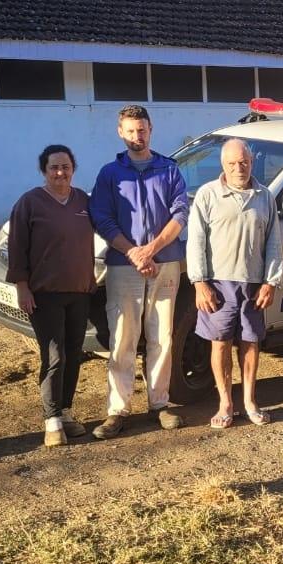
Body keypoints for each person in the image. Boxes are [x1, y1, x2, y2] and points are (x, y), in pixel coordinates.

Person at [88, 105, 189, 439]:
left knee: (162, 336)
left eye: (142, 130)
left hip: (165, 262)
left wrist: (152, 249)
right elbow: (101, 217)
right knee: (123, 338)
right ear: (120, 132)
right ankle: (117, 409)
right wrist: (133, 251)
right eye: (130, 131)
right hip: (124, 264)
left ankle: (160, 403)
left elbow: (180, 213)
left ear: (151, 129)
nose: (137, 136)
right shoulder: (109, 174)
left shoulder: (170, 170)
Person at [187, 139, 283, 428]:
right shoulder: (207, 195)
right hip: (217, 284)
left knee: (251, 342)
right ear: (223, 165)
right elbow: (195, 243)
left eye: (243, 162)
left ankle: (250, 402)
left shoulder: (264, 196)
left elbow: (274, 242)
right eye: (232, 164)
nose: (238, 168)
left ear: (251, 162)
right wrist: (199, 283)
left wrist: (271, 282)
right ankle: (225, 403)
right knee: (220, 344)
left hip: (253, 284)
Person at [6, 144, 97, 448]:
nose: (60, 172)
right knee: (54, 355)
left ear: (74, 168)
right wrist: (21, 286)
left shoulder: (84, 201)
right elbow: (17, 247)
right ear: (43, 171)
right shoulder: (30, 203)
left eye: (66, 167)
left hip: (79, 290)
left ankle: (67, 411)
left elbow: (108, 226)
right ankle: (52, 419)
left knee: (73, 353)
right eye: (54, 167)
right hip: (44, 294)